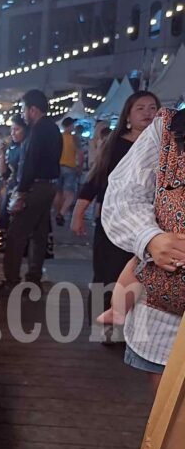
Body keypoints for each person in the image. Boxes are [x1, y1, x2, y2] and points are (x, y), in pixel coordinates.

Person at [99, 105, 185, 449]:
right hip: (171, 309)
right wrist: (151, 240)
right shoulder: (172, 128)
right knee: (174, 429)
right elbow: (124, 194)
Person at [71, 92, 160, 312]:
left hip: (151, 223)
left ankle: (128, 321)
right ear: (127, 115)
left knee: (140, 273)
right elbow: (95, 179)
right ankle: (104, 320)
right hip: (114, 219)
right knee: (108, 270)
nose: (147, 113)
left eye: (152, 108)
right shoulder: (115, 144)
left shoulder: (165, 146)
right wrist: (78, 213)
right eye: (140, 108)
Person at [0, 89, 62, 296]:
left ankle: (11, 282)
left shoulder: (37, 130)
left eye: (23, 109)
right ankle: (33, 280)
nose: (22, 114)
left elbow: (29, 163)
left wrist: (20, 193)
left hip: (34, 187)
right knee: (38, 234)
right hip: (48, 186)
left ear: (33, 110)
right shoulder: (53, 129)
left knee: (15, 235)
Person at [0, 115, 27, 234]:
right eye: (12, 130)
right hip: (11, 187)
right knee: (4, 216)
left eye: (17, 129)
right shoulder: (12, 148)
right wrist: (2, 152)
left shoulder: (27, 147)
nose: (13, 133)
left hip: (22, 189)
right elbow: (3, 171)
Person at [53, 117, 80, 226]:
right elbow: (80, 154)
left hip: (58, 166)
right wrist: (79, 166)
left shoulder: (58, 137)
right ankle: (62, 213)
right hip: (70, 167)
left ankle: (58, 213)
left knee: (58, 193)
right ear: (69, 125)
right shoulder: (74, 138)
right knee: (69, 194)